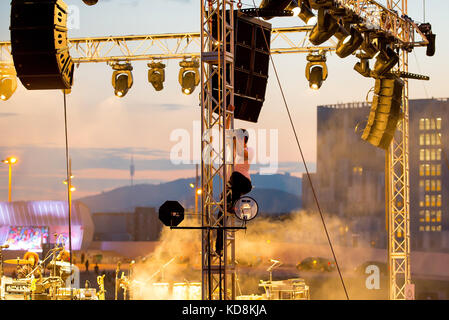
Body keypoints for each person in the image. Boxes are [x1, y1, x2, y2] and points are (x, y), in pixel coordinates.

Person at [215, 104, 254, 255]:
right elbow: (223, 133)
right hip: (232, 186)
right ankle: (219, 248)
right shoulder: (231, 153)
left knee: (235, 176)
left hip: (243, 183)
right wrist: (229, 115)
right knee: (220, 217)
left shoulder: (248, 151)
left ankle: (233, 203)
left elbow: (239, 151)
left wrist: (234, 138)